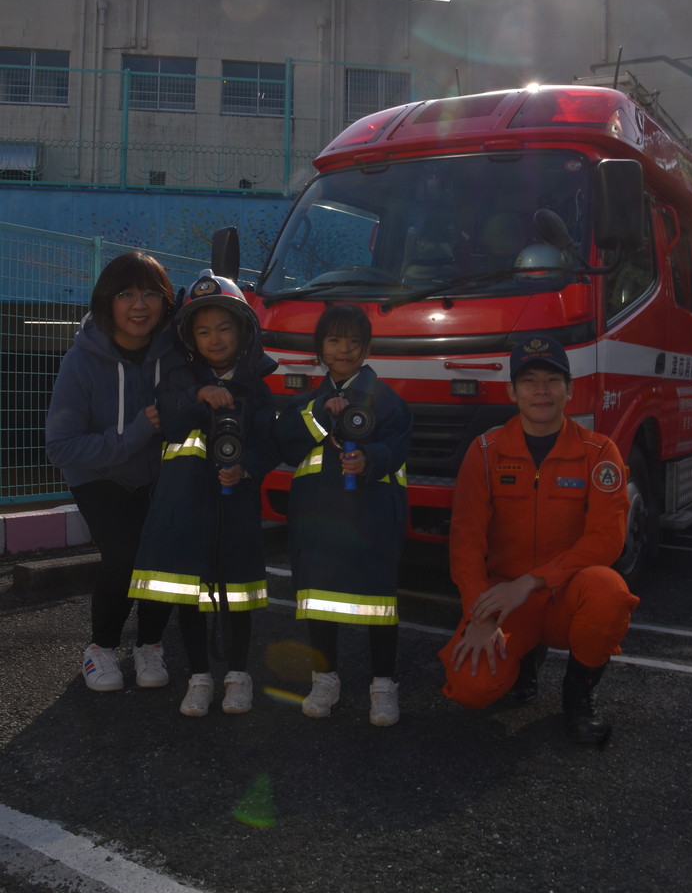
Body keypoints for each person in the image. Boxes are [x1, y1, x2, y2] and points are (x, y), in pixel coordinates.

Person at [439, 334, 639, 744]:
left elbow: (607, 539)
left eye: (552, 380)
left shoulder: (599, 452)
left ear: (570, 389)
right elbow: (466, 541)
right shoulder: (485, 451)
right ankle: (524, 663)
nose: (541, 391)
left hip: (565, 592)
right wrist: (480, 615)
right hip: (505, 598)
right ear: (512, 392)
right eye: (529, 381)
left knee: (609, 591)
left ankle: (578, 695)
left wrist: (532, 582)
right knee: (471, 688)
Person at [128, 270, 279, 717]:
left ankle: (238, 677)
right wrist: (200, 393)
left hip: (237, 510)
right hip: (187, 509)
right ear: (190, 338)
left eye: (225, 328)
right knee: (191, 599)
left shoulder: (258, 390)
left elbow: (269, 444)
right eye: (204, 331)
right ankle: (198, 678)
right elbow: (171, 418)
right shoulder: (177, 382)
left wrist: (246, 467)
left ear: (244, 331)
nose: (215, 339)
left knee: (238, 599)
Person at [274, 304, 413, 727]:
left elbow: (399, 444)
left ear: (367, 348)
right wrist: (320, 413)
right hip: (317, 519)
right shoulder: (306, 402)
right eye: (334, 340)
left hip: (371, 517)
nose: (345, 349)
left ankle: (383, 685)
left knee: (377, 603)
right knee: (318, 600)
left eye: (355, 341)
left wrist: (370, 459)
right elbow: (284, 442)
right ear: (320, 348)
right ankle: (324, 679)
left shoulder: (386, 399)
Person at [45, 251, 176, 693]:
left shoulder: (176, 353)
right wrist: (135, 433)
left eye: (151, 294)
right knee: (123, 556)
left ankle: (150, 644)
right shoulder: (81, 361)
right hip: (98, 474)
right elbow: (61, 447)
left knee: (162, 554)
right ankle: (100, 648)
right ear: (106, 301)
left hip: (157, 473)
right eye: (126, 294)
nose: (139, 305)